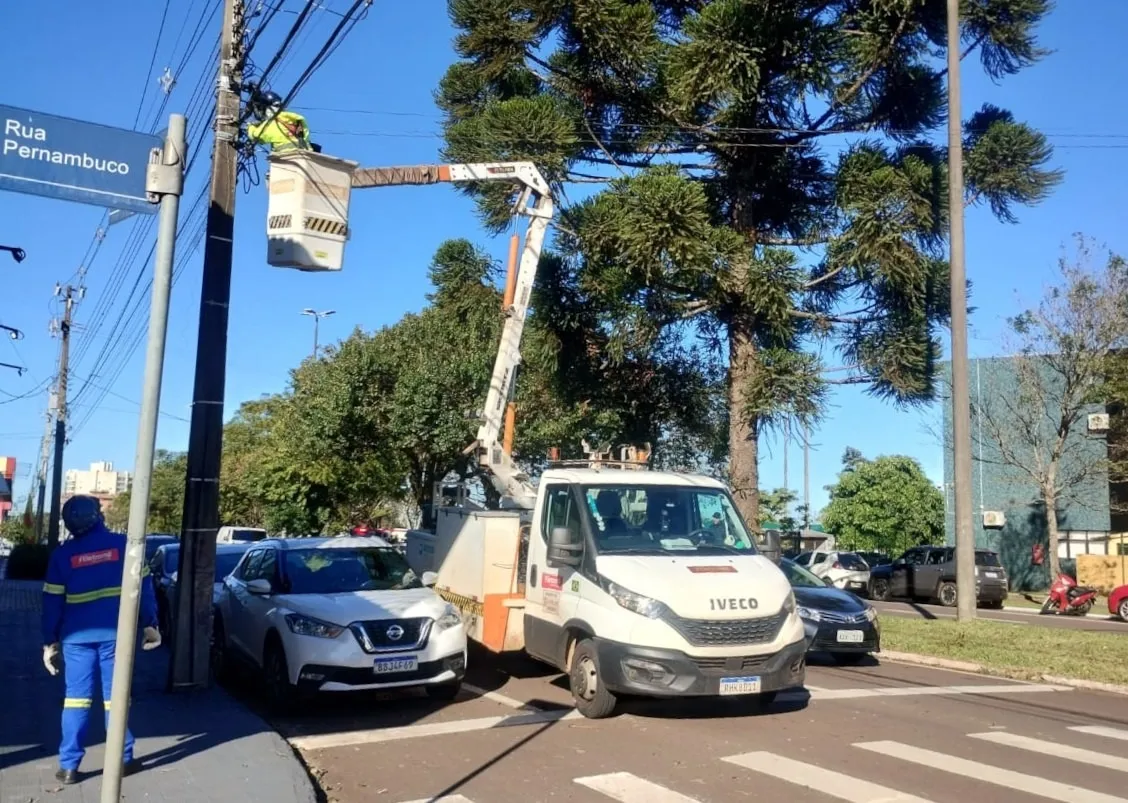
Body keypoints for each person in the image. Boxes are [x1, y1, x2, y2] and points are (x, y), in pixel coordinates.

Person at [41, 495, 162, 785]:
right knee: (115, 698)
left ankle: (69, 766)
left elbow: (52, 603)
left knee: (76, 700)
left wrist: (49, 642)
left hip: (76, 638)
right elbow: (143, 589)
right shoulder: (124, 547)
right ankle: (123, 759)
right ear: (98, 517)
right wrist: (150, 622)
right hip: (116, 636)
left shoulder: (62, 555)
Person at [246, 90, 312, 152]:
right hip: (308, 156)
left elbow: (257, 136)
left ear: (266, 108)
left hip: (288, 158)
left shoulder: (272, 123)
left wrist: (250, 126)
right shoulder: (294, 118)